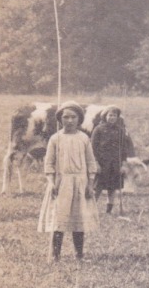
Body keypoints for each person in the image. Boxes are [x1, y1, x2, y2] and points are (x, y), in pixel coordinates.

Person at [38, 103, 98, 261]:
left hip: (80, 183)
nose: (70, 120)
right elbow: (49, 164)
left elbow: (91, 163)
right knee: (59, 219)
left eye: (73, 117)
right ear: (60, 119)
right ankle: (55, 255)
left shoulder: (84, 138)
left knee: (79, 219)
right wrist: (52, 182)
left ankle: (79, 255)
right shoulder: (55, 139)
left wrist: (90, 184)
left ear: (79, 119)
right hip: (61, 183)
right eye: (66, 117)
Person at [90, 105, 137, 215]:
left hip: (115, 163)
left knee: (113, 188)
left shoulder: (120, 130)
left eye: (114, 116)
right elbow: (92, 148)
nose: (112, 118)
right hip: (102, 163)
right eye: (110, 115)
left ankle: (109, 210)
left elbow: (123, 148)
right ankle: (92, 209)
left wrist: (123, 164)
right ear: (105, 116)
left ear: (117, 117)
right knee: (98, 187)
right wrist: (96, 163)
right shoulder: (98, 129)